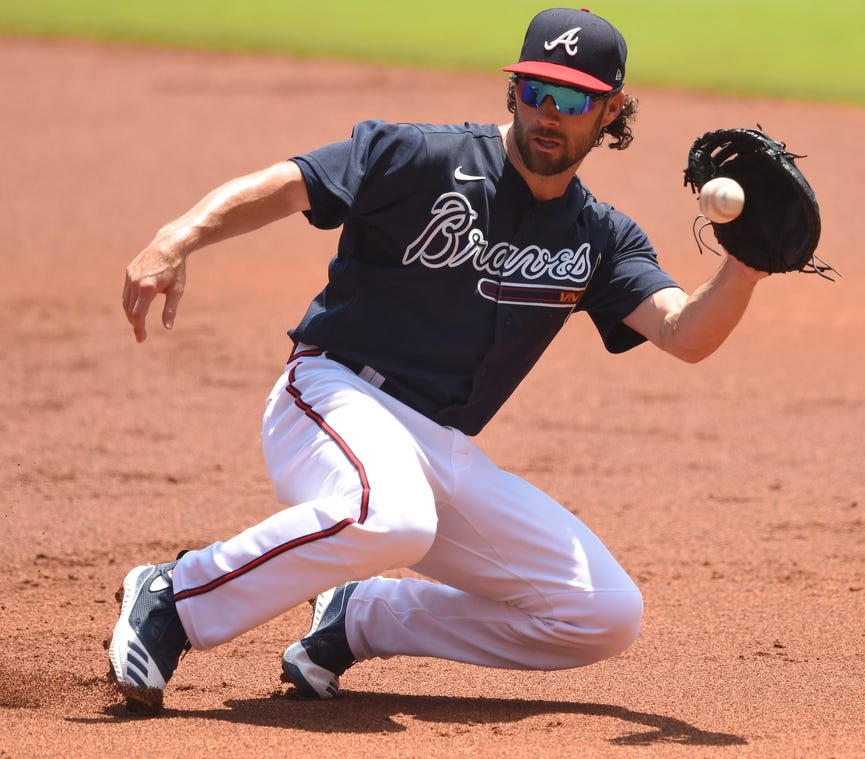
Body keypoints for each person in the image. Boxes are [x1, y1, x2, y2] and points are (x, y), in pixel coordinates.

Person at [110, 7, 768, 712]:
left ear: (611, 111)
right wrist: (177, 237)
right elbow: (292, 180)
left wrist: (746, 267)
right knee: (393, 517)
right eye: (535, 90)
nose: (548, 113)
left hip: (441, 451)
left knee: (605, 611)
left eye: (572, 99)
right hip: (333, 394)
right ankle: (175, 598)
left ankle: (359, 617)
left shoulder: (600, 236)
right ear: (512, 89)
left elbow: (683, 333)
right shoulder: (421, 157)